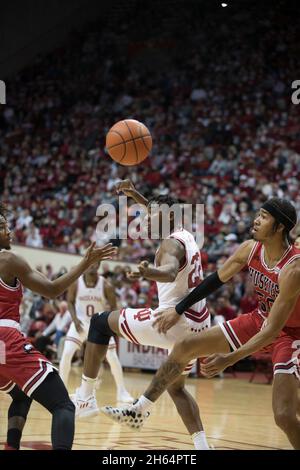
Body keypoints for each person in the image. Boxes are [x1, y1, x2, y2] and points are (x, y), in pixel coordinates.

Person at [101, 198, 300, 449]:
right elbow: (214, 280)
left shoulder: (293, 269)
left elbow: (273, 331)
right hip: (261, 317)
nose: (256, 220)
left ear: (280, 226)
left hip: (291, 333)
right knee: (184, 346)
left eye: (264, 216)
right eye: (257, 214)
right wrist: (178, 308)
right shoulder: (250, 249)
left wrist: (230, 358)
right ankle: (140, 409)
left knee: (284, 415)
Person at [72, 180, 212, 450]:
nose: (145, 219)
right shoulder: (186, 234)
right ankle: (202, 446)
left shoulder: (170, 245)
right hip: (199, 325)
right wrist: (136, 194)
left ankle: (86, 397)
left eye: (151, 216)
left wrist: (149, 272)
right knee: (176, 388)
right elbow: (160, 210)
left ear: (168, 216)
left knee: (100, 324)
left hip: (173, 322)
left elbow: (170, 271)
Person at [0, 201, 117, 450]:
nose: (9, 232)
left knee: (21, 394)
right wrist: (84, 263)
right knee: (63, 405)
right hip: (5, 338)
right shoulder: (7, 259)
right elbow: (53, 290)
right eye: (3, 227)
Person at [59, 262, 133, 403]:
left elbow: (113, 308)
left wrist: (110, 327)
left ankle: (122, 392)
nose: (92, 265)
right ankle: (61, 391)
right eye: (90, 263)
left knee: (112, 357)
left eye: (95, 263)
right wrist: (74, 320)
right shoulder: (76, 283)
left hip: (99, 325)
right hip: (80, 323)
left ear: (99, 265)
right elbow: (69, 301)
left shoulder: (106, 286)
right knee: (67, 353)